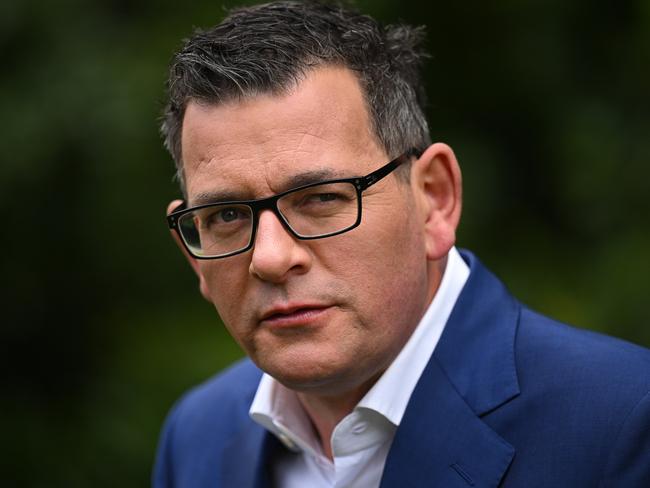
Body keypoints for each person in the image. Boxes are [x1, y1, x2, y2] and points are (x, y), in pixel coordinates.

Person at [153, 1, 650, 486]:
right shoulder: (196, 436)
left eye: (322, 198)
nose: (271, 258)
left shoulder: (622, 423)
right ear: (194, 255)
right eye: (228, 216)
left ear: (434, 200)